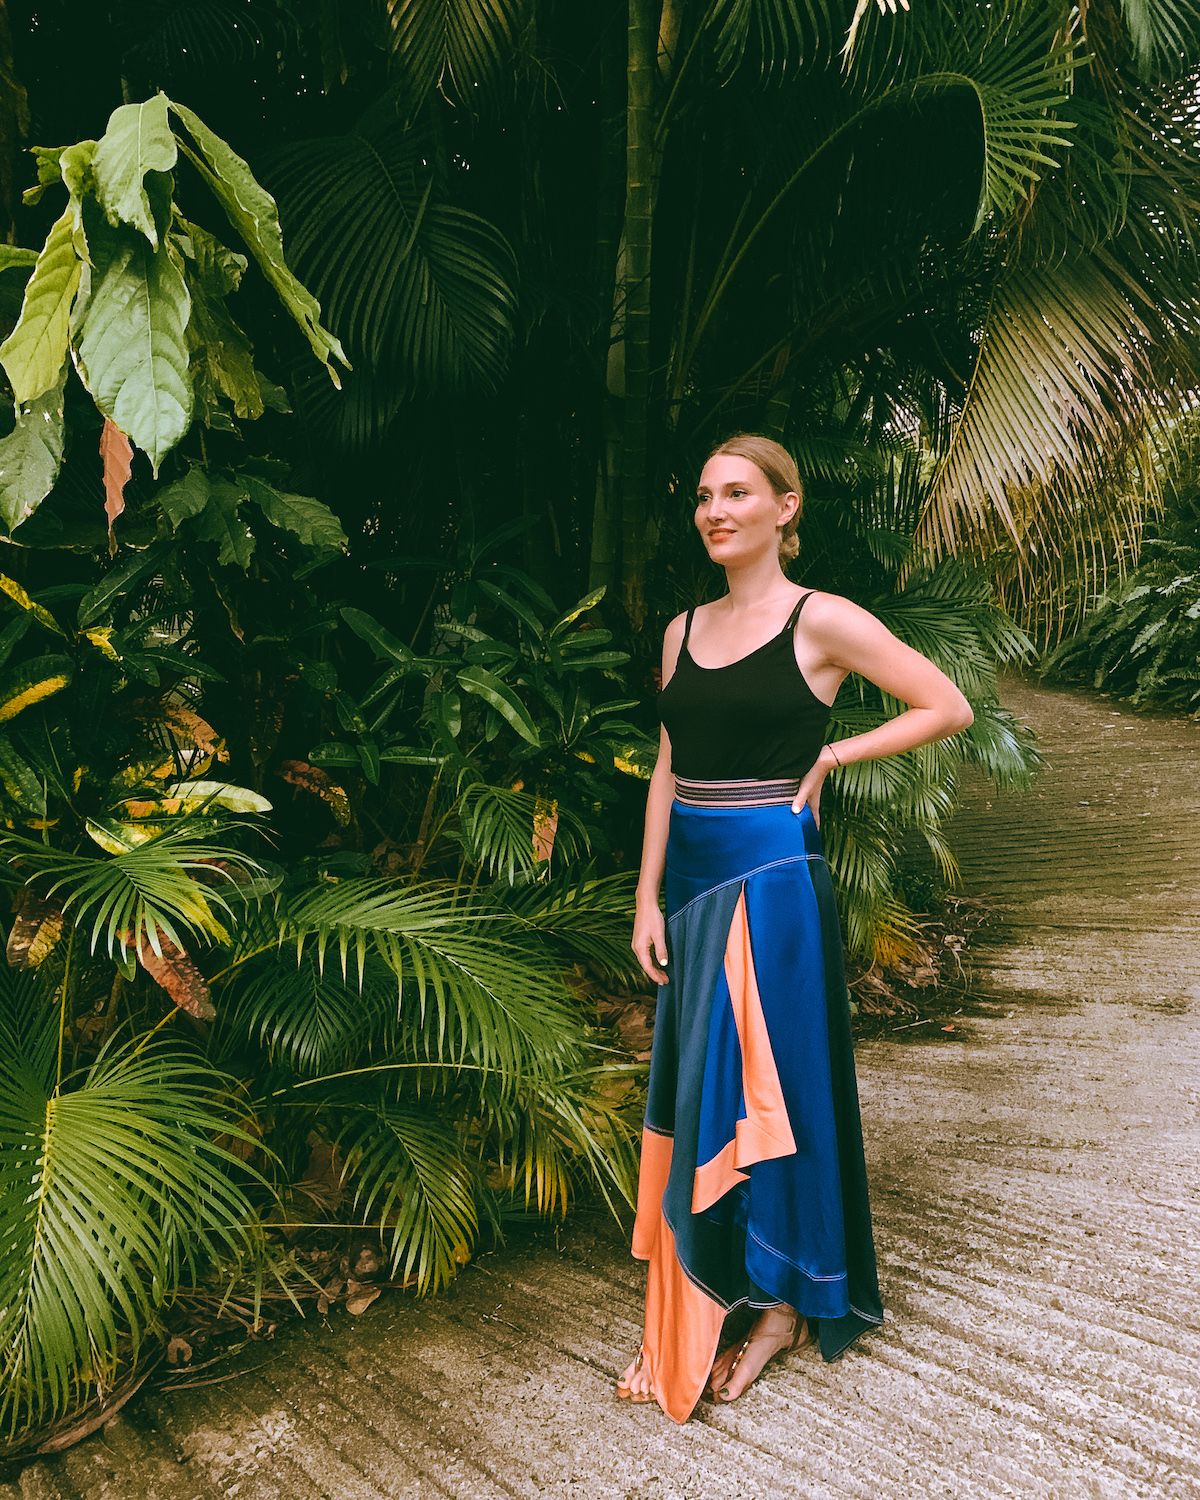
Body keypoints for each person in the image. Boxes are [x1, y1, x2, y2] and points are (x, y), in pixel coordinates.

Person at [615, 432, 974, 1423]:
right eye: (704, 495)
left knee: (765, 1089)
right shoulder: (682, 630)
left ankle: (776, 1308)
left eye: (738, 493)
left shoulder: (823, 621)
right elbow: (667, 767)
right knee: (705, 1088)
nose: (715, 511)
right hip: (692, 884)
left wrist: (835, 756)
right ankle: (720, 1284)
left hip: (771, 882)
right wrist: (645, 898)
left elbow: (946, 705)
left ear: (786, 507)